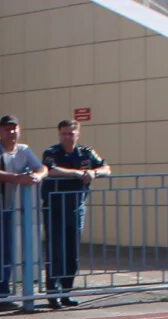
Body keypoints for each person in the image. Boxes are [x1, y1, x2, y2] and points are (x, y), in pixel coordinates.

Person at [0, 115, 43, 306]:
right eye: (6, 128)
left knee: (6, 252)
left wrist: (37, 176)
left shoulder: (24, 150)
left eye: (14, 128)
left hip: (6, 208)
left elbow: (42, 167)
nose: (11, 132)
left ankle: (1, 296)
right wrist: (17, 178)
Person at [39, 119, 108, 308]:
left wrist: (95, 173)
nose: (67, 137)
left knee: (72, 253)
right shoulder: (52, 152)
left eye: (71, 133)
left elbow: (106, 168)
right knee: (56, 252)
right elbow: (50, 170)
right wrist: (77, 174)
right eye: (64, 133)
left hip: (76, 208)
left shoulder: (86, 152)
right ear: (59, 134)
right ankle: (53, 294)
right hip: (54, 209)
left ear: (78, 134)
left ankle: (66, 293)